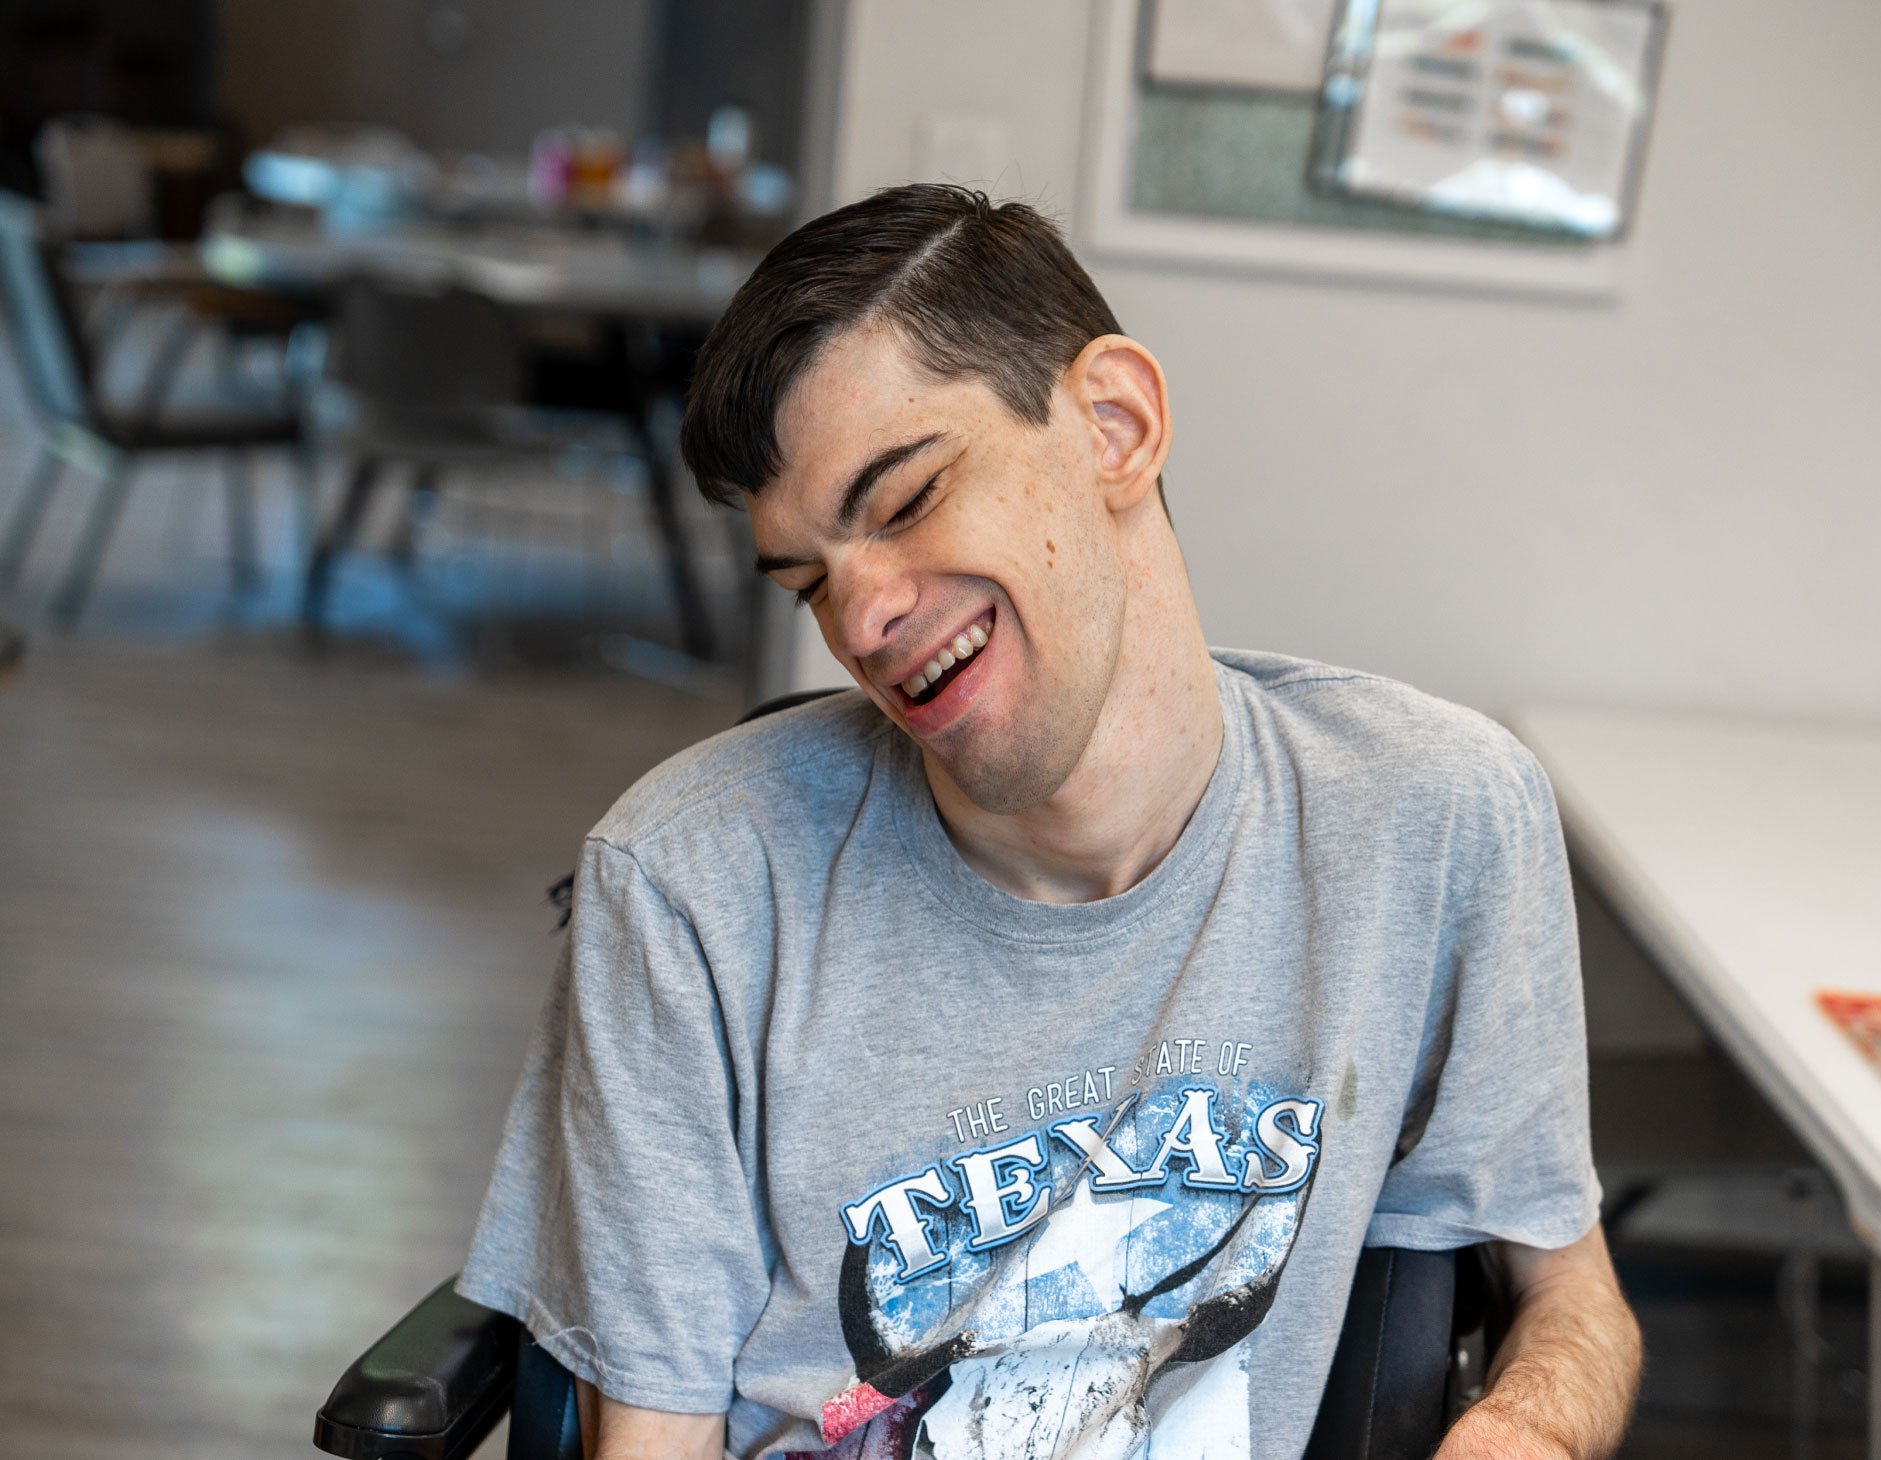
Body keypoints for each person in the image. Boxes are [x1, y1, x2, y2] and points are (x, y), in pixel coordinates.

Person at [459, 184, 1641, 1460]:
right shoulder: (691, 884)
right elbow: (653, 1435)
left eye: (904, 502)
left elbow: (1569, 1293)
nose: (859, 623)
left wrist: (1521, 1429)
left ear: (1114, 426)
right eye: (808, 579)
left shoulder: (1432, 822)